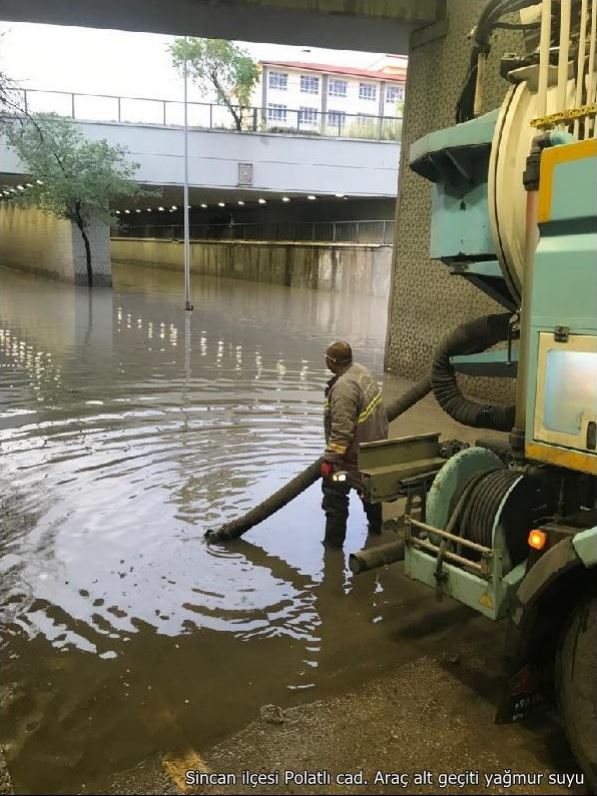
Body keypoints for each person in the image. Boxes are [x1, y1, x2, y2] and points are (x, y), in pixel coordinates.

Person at [320, 341, 389, 547]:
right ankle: (376, 532)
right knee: (370, 493)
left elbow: (341, 432)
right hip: (373, 451)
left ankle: (333, 549)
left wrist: (329, 461)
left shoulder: (343, 389)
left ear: (332, 362)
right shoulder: (361, 372)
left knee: (334, 495)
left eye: (326, 357)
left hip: (352, 460)